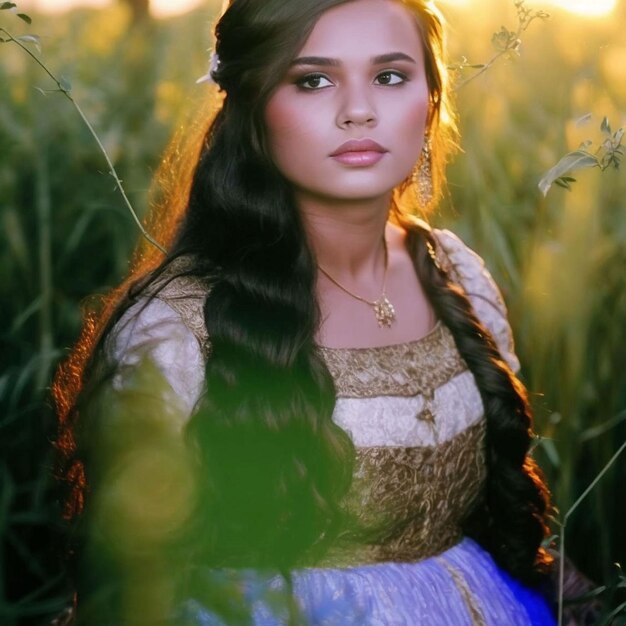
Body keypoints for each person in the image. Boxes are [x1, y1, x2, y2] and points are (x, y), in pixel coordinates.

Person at [53, 0, 561, 623]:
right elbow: (126, 591)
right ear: (253, 107)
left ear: (431, 101)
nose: (358, 110)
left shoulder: (455, 273)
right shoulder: (173, 331)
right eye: (313, 80)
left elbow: (504, 506)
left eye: (390, 76)